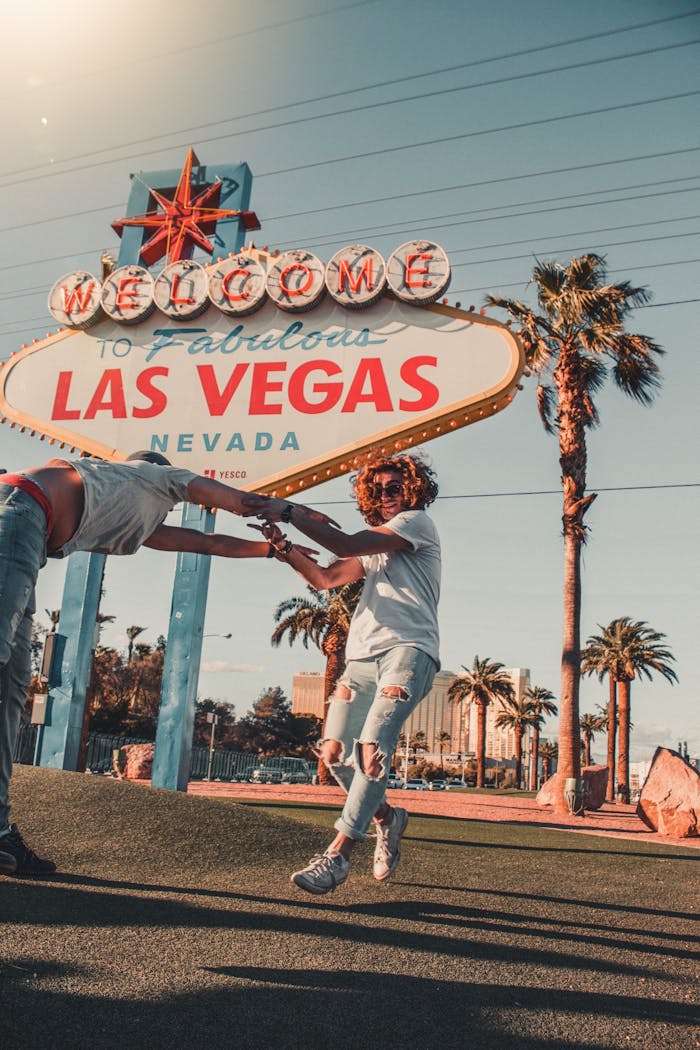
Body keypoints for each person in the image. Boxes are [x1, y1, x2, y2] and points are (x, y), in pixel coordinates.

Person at [0, 451, 304, 879]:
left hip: (26, 526)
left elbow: (210, 543)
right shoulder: (155, 476)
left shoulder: (141, 524)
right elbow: (235, 500)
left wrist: (277, 552)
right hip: (19, 509)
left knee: (9, 690)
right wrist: (288, 511)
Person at [256, 452, 441, 895]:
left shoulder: (415, 524)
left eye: (393, 487)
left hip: (408, 652)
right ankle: (388, 819)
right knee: (335, 753)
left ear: (412, 490)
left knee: (372, 749)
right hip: (360, 660)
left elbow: (346, 544)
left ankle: (337, 856)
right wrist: (284, 548)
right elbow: (324, 578)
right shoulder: (378, 550)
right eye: (377, 490)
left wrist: (290, 510)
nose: (385, 496)